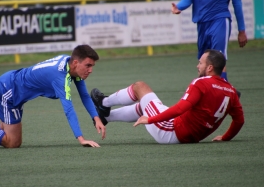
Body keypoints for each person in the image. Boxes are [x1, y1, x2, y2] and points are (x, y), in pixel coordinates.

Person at [0, 44, 106, 148]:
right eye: (88, 65)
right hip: (8, 90)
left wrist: (96, 118)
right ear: (76, 63)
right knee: (12, 142)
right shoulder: (60, 77)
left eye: (92, 66)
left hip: (11, 84)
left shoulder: (69, 63)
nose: (90, 70)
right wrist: (81, 139)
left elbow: (84, 95)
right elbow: (69, 109)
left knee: (4, 132)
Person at [91, 49, 244, 144]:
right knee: (144, 105)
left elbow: (180, 109)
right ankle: (106, 117)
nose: (198, 66)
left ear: (210, 68)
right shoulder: (231, 90)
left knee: (140, 87)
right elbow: (239, 120)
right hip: (190, 136)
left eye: (200, 63)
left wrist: (150, 120)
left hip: (170, 130)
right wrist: (225, 137)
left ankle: (103, 103)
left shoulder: (201, 83)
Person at [171, 0, 248, 95]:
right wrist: (179, 7)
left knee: (218, 58)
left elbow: (237, 3)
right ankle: (210, 93)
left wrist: (242, 30)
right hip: (201, 23)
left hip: (220, 20)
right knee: (204, 61)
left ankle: (224, 93)